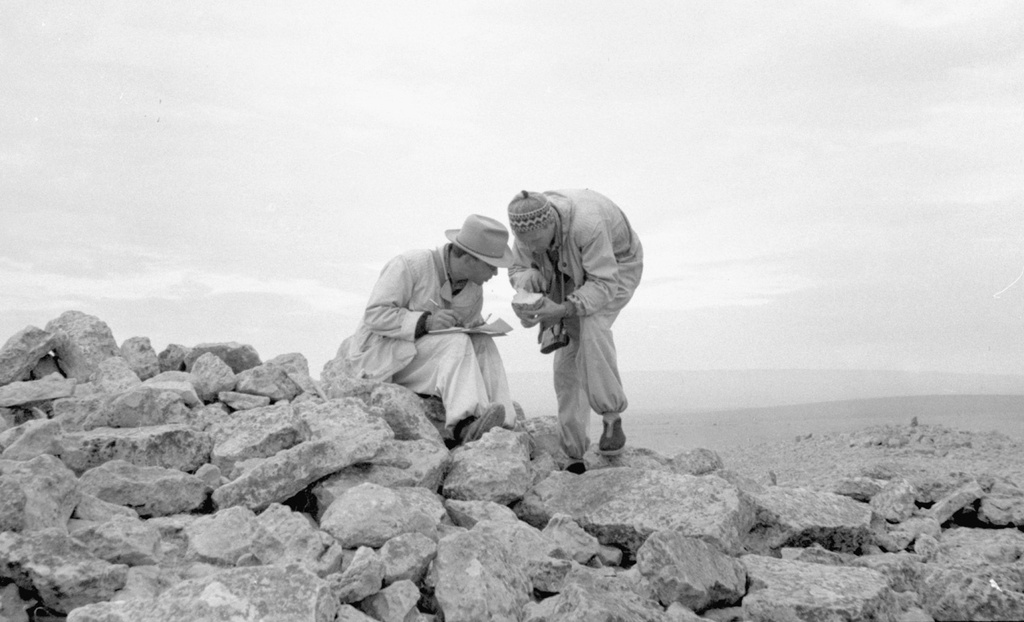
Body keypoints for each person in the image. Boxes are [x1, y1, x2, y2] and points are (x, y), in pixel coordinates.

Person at [336, 214, 517, 445]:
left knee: (482, 342)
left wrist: (471, 326)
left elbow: (458, 335)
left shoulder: (473, 290)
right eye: (491, 266)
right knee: (456, 342)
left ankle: (505, 425)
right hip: (381, 357)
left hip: (425, 362)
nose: (495, 274)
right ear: (470, 258)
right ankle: (465, 425)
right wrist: (425, 322)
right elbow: (375, 314)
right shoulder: (411, 265)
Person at [507, 189, 643, 472]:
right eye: (523, 242)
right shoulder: (526, 232)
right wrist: (527, 279)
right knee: (568, 355)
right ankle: (574, 453)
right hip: (565, 272)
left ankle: (610, 416)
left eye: (535, 241)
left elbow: (604, 285)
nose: (530, 248)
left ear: (551, 224)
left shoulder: (587, 225)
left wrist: (562, 309)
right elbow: (517, 268)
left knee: (591, 324)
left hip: (616, 267)